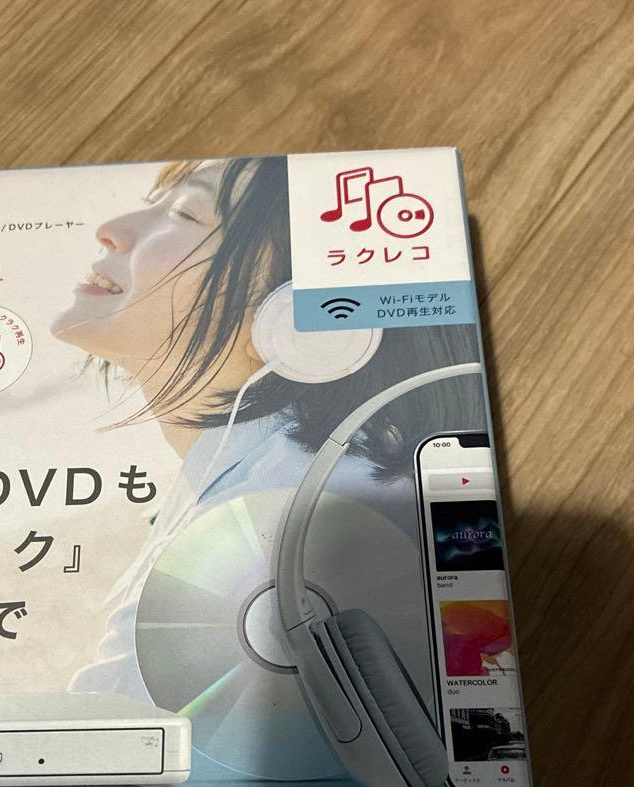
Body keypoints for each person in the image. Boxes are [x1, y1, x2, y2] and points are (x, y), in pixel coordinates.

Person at [52, 156, 484, 709]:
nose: (111, 228)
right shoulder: (297, 474)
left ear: (294, 325)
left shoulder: (271, 519)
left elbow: (112, 743)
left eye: (185, 213)